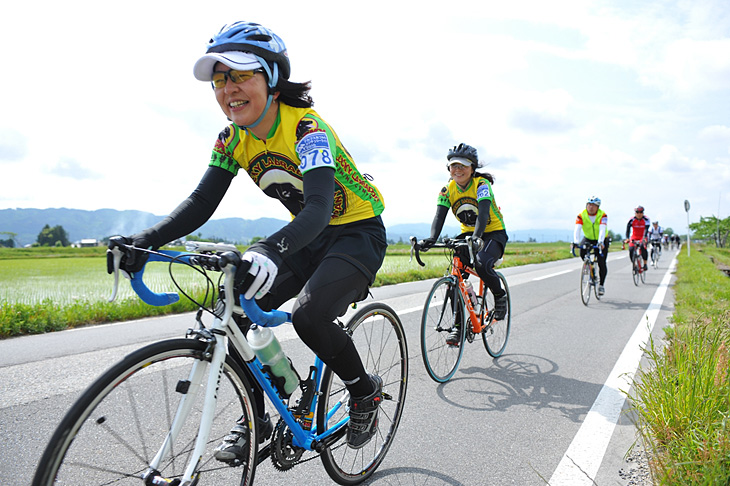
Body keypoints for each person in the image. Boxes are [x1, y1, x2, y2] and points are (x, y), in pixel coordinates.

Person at [107, 21, 387, 455]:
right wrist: (144, 239)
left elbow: (316, 207)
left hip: (355, 233)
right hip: (308, 237)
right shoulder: (231, 137)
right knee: (232, 312)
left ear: (272, 79)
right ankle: (255, 420)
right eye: (219, 81)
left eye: (239, 75)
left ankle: (363, 389)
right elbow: (201, 202)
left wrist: (267, 249)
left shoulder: (306, 129)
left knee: (309, 317)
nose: (227, 89)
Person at [420, 143, 508, 346]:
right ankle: (458, 327)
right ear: (448, 168)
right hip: (467, 233)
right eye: (453, 165)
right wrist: (431, 239)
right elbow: (439, 216)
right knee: (456, 276)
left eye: (463, 165)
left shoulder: (481, 184)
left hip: (493, 233)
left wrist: (478, 237)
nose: (458, 169)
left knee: (482, 263)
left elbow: (483, 213)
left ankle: (499, 295)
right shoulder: (447, 189)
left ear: (472, 168)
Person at [572, 196, 609, 295]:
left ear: (598, 207)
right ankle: (590, 266)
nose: (590, 207)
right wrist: (576, 242)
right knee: (582, 252)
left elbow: (602, 229)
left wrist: (601, 242)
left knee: (602, 262)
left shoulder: (603, 215)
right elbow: (577, 229)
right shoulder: (581, 215)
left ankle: (601, 285)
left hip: (601, 239)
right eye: (589, 205)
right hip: (588, 237)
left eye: (593, 205)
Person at [625, 205, 650, 271]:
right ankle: (634, 265)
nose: (639, 214)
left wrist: (644, 238)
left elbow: (646, 230)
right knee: (631, 249)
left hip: (643, 236)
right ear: (635, 213)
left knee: (642, 246)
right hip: (634, 236)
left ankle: (645, 264)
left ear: (643, 213)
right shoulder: (631, 219)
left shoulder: (646, 219)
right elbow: (628, 229)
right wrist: (627, 238)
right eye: (637, 212)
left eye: (641, 212)